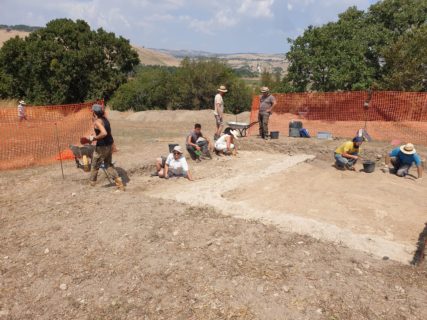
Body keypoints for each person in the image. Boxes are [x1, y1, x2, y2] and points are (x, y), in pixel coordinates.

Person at [87, 104, 125, 191]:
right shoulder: (105, 120)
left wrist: (94, 138)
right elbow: (107, 132)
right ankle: (120, 184)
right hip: (108, 145)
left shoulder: (98, 122)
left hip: (101, 147)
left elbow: (104, 133)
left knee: (95, 165)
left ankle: (92, 184)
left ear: (94, 112)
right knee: (108, 165)